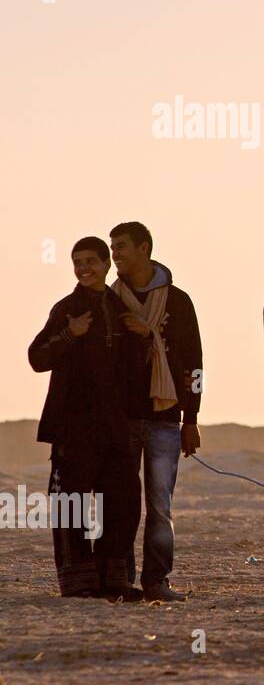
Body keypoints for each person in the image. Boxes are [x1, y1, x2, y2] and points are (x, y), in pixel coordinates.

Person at [28, 236, 145, 601]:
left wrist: (143, 336)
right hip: (72, 428)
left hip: (116, 427)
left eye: (91, 261)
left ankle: (114, 581)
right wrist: (69, 334)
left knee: (122, 503)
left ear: (107, 263)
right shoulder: (66, 309)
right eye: (77, 262)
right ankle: (79, 584)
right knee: (71, 504)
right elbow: (37, 358)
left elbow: (135, 368)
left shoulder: (121, 306)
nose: (84, 268)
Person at [109, 221, 203, 603]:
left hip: (166, 419)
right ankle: (119, 581)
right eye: (113, 248)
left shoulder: (178, 302)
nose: (116, 254)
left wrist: (192, 419)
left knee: (160, 505)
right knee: (122, 502)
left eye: (122, 247)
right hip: (122, 419)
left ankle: (157, 581)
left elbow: (194, 365)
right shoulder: (108, 300)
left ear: (144, 248)